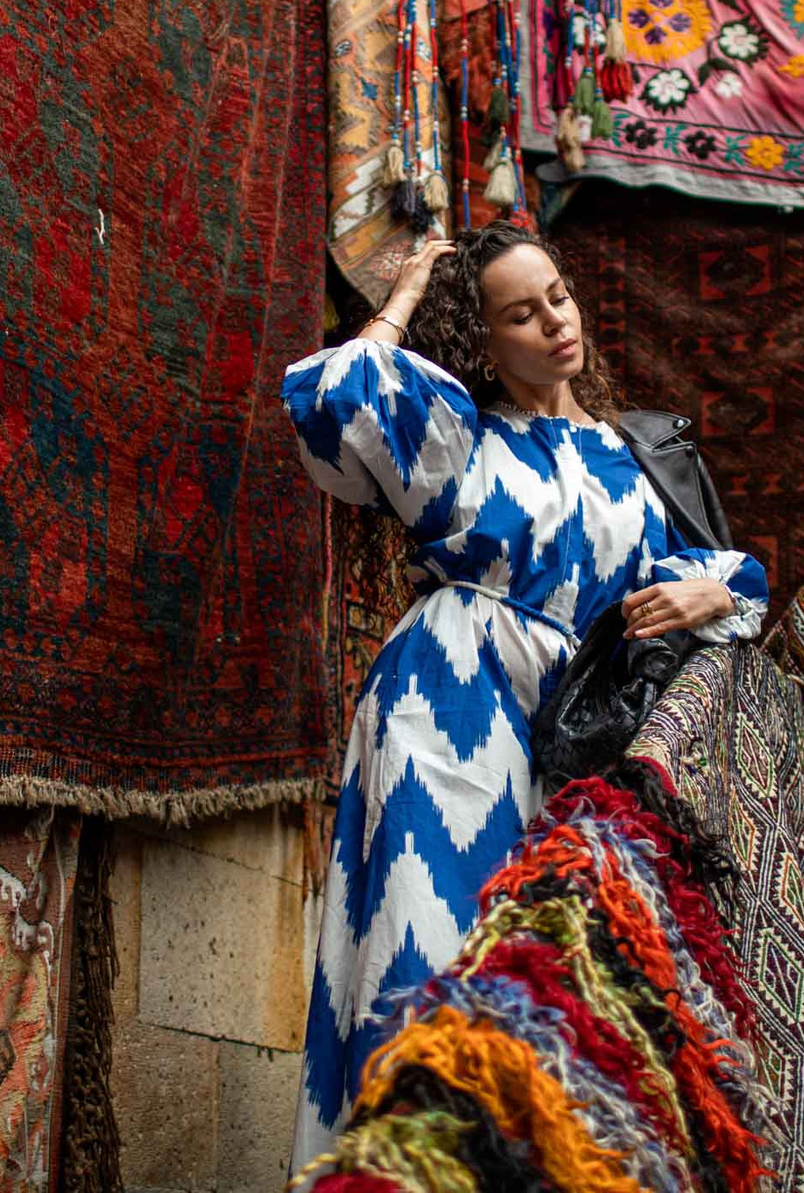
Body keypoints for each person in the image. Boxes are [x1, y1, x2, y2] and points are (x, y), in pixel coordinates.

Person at [281, 223, 769, 1158]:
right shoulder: (456, 439)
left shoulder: (640, 456)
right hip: (445, 704)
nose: (553, 323)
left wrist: (714, 586)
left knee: (546, 978)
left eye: (558, 297)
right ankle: (395, 1166)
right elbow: (336, 394)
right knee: (427, 951)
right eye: (519, 313)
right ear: (485, 339)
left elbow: (735, 580)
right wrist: (413, 290)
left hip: (573, 730)